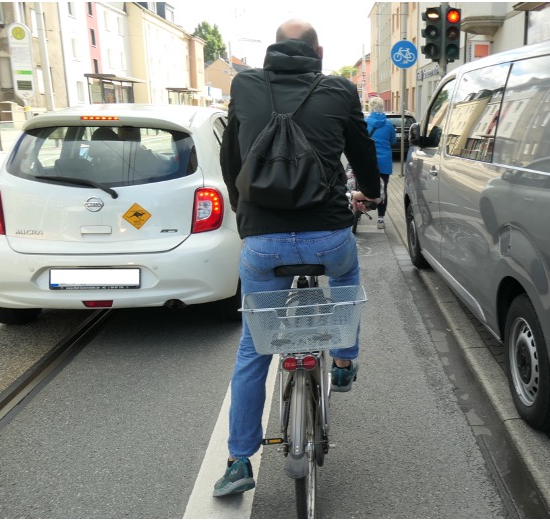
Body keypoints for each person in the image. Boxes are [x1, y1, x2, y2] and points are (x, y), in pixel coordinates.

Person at [214, 18, 382, 498]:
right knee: (347, 278)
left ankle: (238, 462)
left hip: (263, 241)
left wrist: (242, 206)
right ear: (318, 52)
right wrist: (368, 193)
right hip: (327, 234)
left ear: (274, 49)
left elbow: (232, 158)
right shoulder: (339, 90)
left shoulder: (244, 84)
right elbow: (362, 151)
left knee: (253, 347)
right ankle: (346, 359)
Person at [364, 97, 396, 229]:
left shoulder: (365, 123)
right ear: (382, 107)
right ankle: (381, 220)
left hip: (368, 161)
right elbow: (393, 141)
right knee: (383, 190)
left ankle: (360, 210)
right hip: (384, 162)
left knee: (364, 186)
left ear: (370, 107)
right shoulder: (389, 124)